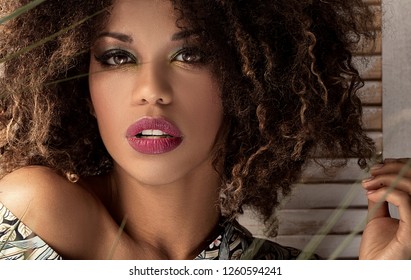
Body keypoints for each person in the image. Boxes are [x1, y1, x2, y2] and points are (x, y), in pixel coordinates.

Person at [0, 0, 410, 260]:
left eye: (190, 54)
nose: (151, 92)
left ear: (250, 85)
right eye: (118, 57)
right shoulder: (35, 210)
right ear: (80, 87)